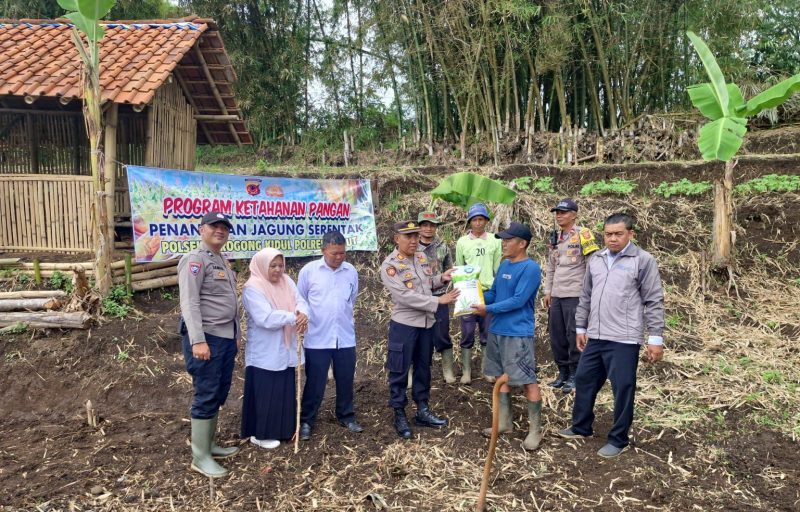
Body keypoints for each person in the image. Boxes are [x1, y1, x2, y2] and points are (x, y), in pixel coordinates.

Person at [557, 213, 665, 458]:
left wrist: (655, 339)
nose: (613, 239)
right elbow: (586, 296)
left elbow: (654, 300)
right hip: (596, 334)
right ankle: (581, 427)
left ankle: (618, 439)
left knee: (623, 388)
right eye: (608, 234)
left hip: (624, 338)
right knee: (585, 380)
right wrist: (581, 328)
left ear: (630, 234)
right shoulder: (596, 259)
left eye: (618, 234)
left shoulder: (643, 260)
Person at [380, 220, 460, 439]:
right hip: (405, 325)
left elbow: (425, 284)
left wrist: (440, 279)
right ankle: (399, 412)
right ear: (397, 239)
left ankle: (422, 409)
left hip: (426, 323)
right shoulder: (390, 265)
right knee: (399, 369)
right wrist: (438, 302)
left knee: (423, 367)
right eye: (409, 237)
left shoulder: (422, 258)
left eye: (416, 236)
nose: (415, 241)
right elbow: (404, 296)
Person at [178, 211, 240, 478]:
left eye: (225, 227)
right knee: (206, 392)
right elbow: (189, 303)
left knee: (218, 390)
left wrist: (235, 335)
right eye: (214, 226)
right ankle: (200, 457)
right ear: (201, 229)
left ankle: (209, 445)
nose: (220, 230)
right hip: (208, 338)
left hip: (225, 338)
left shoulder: (221, 261)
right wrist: (198, 340)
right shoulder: (195, 260)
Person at [472, 222, 544, 450]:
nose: (503, 244)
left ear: (522, 244)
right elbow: (494, 293)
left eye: (507, 240)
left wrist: (487, 310)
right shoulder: (504, 264)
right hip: (497, 330)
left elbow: (518, 301)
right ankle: (504, 423)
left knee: (527, 380)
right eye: (502, 240)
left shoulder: (530, 268)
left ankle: (535, 430)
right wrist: (475, 296)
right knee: (502, 376)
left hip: (517, 332)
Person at [240, 248, 309, 449]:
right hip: (265, 351)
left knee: (284, 390)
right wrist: (293, 317)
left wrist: (303, 313)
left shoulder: (287, 281)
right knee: (267, 391)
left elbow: (301, 301)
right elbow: (265, 318)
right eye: (273, 265)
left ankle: (284, 429)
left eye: (280, 265)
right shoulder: (252, 288)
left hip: (286, 348)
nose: (278, 270)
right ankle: (260, 434)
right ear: (262, 266)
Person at [297, 230, 362, 441]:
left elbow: (350, 300)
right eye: (334, 253)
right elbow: (301, 300)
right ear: (323, 249)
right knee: (315, 382)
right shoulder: (309, 271)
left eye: (342, 253)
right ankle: (307, 420)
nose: (339, 257)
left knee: (345, 378)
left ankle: (346, 415)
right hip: (317, 337)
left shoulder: (350, 271)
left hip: (344, 336)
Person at [543, 198, 599, 394]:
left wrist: (589, 293)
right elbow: (551, 266)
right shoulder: (555, 237)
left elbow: (592, 265)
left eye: (564, 212)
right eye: (557, 212)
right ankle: (563, 372)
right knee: (557, 335)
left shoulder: (583, 234)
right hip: (557, 294)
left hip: (576, 293)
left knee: (574, 334)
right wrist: (548, 290)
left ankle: (576, 373)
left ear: (574, 215)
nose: (559, 215)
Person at [454, 203, 502, 384]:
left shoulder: (495, 240)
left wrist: (499, 290)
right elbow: (459, 266)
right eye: (474, 220)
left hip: (488, 291)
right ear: (469, 222)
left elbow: (497, 267)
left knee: (486, 332)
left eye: (481, 219)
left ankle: (486, 369)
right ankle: (466, 372)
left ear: (486, 221)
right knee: (467, 332)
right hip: (468, 291)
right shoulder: (462, 242)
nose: (478, 223)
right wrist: (459, 290)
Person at [417, 211, 456, 384]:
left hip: (440, 297)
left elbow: (450, 269)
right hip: (418, 298)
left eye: (432, 225)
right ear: (419, 227)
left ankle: (448, 371)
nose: (428, 229)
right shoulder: (412, 247)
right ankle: (413, 372)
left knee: (442, 334)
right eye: (425, 225)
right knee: (415, 335)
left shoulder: (442, 246)